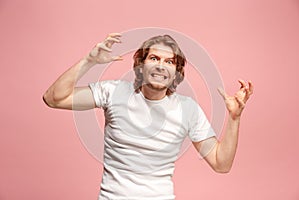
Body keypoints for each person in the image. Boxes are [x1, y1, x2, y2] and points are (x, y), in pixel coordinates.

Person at [43, 33, 253, 200]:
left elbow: (221, 164)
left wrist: (234, 118)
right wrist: (89, 61)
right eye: (154, 58)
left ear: (176, 72)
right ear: (140, 66)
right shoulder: (113, 91)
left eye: (170, 62)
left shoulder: (188, 109)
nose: (161, 65)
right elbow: (53, 98)